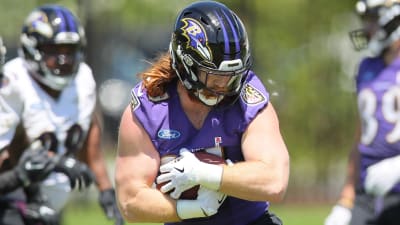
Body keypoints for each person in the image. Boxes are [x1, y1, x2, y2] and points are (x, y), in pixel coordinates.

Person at [115, 1, 290, 225]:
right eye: (215, 76)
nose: (226, 86)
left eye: (232, 76)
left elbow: (275, 181)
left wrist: (206, 174)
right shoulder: (148, 107)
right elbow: (131, 200)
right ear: (186, 65)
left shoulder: (247, 98)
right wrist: (192, 209)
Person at [0, 5, 123, 225]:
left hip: (51, 206)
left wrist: (105, 189)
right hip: (10, 202)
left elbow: (88, 132)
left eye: (69, 50)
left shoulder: (83, 80)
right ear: (32, 49)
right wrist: (58, 162)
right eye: (54, 50)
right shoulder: (13, 83)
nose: (63, 59)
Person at [325, 1, 400, 225]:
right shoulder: (366, 67)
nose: (368, 28)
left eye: (373, 20)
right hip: (367, 191)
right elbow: (360, 136)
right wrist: (345, 199)